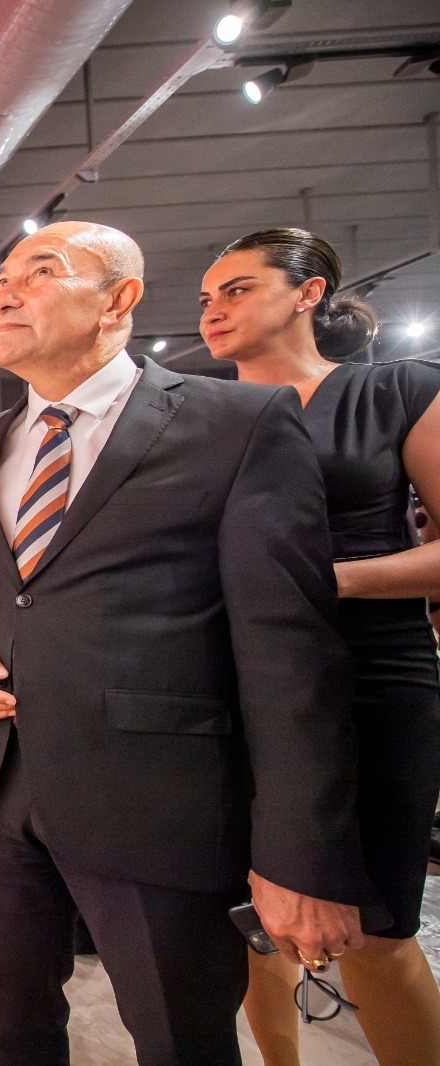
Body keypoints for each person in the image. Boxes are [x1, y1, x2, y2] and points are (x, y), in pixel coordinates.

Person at [0, 220, 367, 1065]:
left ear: (117, 299)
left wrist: (300, 855)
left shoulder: (236, 423)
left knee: (180, 1041)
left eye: (39, 272)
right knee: (11, 1033)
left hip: (156, 802)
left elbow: (291, 652)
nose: (4, 293)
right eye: (1, 280)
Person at [199, 227, 440, 1064]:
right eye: (206, 297)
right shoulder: (194, 414)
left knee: (375, 929)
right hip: (229, 680)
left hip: (374, 681)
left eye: (236, 289)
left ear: (309, 293)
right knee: (247, 921)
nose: (213, 310)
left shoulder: (397, 391)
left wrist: (320, 580)